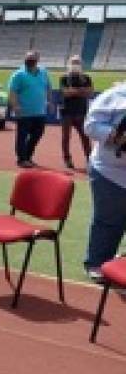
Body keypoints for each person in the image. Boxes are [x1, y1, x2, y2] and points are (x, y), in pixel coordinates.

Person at [83, 81, 126, 281]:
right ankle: (98, 263)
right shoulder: (115, 95)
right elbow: (90, 125)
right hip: (109, 172)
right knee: (108, 220)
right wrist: (116, 136)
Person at [8, 50, 52, 168]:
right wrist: (15, 105)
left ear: (37, 60)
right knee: (22, 136)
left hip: (39, 111)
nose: (29, 61)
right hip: (24, 111)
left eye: (32, 59)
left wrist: (49, 101)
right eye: (27, 59)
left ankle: (28, 156)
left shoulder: (43, 73)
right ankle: (22, 159)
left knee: (38, 133)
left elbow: (48, 87)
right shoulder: (18, 75)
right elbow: (13, 92)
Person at [58, 55, 93, 170]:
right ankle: (67, 159)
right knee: (66, 137)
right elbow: (66, 93)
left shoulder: (86, 78)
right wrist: (81, 91)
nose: (75, 65)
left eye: (77, 62)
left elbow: (90, 93)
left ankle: (90, 160)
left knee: (85, 137)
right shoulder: (64, 78)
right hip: (66, 112)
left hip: (81, 112)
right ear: (69, 64)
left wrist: (74, 91)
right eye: (73, 62)